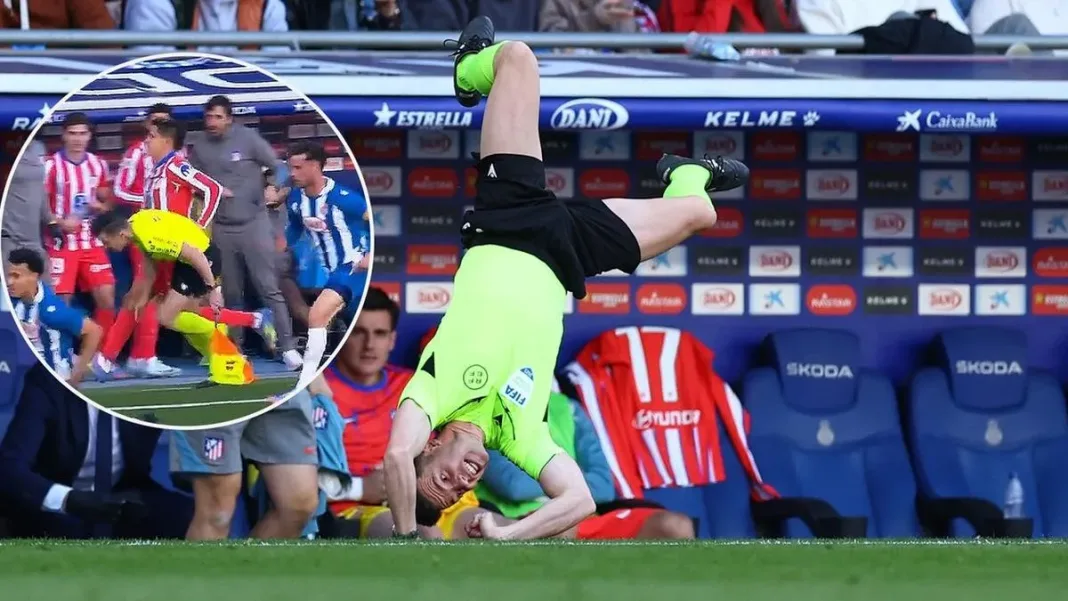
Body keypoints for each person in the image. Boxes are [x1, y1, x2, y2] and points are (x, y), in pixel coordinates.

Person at [383, 17, 747, 540]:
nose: (464, 480)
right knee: (699, 212)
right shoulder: (522, 437)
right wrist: (508, 535)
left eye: (444, 476)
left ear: (433, 444)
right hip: (566, 255)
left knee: (517, 59)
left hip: (510, 219)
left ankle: (468, 69)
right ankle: (683, 171)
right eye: (458, 492)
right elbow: (579, 501)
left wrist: (403, 536)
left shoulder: (431, 393)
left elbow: (397, 454)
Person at [92, 117, 261, 381]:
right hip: (157, 247)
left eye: (151, 136)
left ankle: (113, 358)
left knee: (158, 306)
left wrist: (198, 225)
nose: (146, 141)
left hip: (174, 249)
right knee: (148, 301)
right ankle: (239, 339)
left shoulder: (176, 166)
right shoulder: (156, 170)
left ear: (166, 140)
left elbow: (212, 189)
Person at [321, 288, 479, 539]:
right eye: (358, 333)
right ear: (341, 335)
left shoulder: (414, 384)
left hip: (435, 497)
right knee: (427, 537)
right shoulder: (321, 392)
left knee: (498, 532)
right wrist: (360, 488)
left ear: (392, 339)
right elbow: (291, 482)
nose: (369, 345)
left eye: (380, 333)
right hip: (363, 507)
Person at [0, 364, 192, 539]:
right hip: (62, 494)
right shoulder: (49, 379)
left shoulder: (150, 384)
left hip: (124, 494)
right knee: (59, 522)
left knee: (187, 514)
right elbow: (10, 467)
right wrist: (69, 500)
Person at [474, 390, 695, 540]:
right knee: (560, 531)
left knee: (675, 525)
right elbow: (513, 486)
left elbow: (603, 486)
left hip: (583, 518)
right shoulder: (482, 409)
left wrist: (566, 491)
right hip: (518, 521)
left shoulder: (567, 407)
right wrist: (573, 482)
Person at [90, 208, 275, 382]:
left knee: (166, 315)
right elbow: (150, 265)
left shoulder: (148, 236)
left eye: (106, 242)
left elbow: (195, 255)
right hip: (187, 262)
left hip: (203, 259)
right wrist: (139, 293)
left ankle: (252, 323)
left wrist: (214, 289)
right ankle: (255, 320)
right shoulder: (136, 226)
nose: (107, 248)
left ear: (120, 234)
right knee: (188, 309)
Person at [185, 95, 302, 370]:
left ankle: (287, 348)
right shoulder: (200, 147)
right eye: (208, 117)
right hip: (222, 227)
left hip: (254, 223)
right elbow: (192, 179)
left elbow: (279, 168)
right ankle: (235, 350)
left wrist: (277, 189)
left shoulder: (248, 139)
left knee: (268, 288)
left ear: (229, 118)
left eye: (218, 117)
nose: (212, 122)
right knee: (231, 292)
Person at [168, 389, 320, 540]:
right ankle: (206, 565)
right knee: (217, 512)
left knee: (297, 506)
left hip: (285, 380)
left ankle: (246, 564)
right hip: (214, 382)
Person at [284, 140, 370, 392]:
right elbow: (293, 231)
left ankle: (303, 384)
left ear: (314, 167)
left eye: (298, 168)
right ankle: (318, 387)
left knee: (317, 315)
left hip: (353, 269)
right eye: (291, 167)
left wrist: (371, 256)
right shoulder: (296, 201)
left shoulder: (343, 198)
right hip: (332, 275)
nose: (293, 173)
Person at [107, 103, 182, 379]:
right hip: (143, 232)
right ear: (147, 125)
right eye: (154, 121)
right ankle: (137, 356)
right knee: (148, 291)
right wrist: (151, 206)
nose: (158, 126)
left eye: (164, 121)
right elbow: (119, 190)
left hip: (168, 233)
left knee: (153, 293)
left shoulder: (178, 156)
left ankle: (138, 355)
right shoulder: (136, 153)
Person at [45, 112, 117, 345]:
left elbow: (107, 202)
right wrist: (58, 221)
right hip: (61, 243)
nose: (77, 138)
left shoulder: (98, 165)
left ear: (89, 136)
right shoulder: (50, 166)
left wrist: (101, 206)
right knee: (60, 303)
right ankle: (62, 355)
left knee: (107, 298)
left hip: (91, 240)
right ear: (63, 135)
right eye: (72, 133)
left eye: (82, 133)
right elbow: (38, 205)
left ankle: (99, 356)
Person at [7, 248, 102, 387]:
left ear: (34, 276)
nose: (10, 282)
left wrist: (78, 371)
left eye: (16, 276)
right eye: (9, 276)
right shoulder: (11, 300)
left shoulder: (51, 310)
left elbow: (94, 331)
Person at [1, 139, 52, 268]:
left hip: (33, 237)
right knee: (10, 283)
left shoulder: (39, 147)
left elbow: (40, 188)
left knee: (45, 284)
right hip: (8, 237)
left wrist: (51, 221)